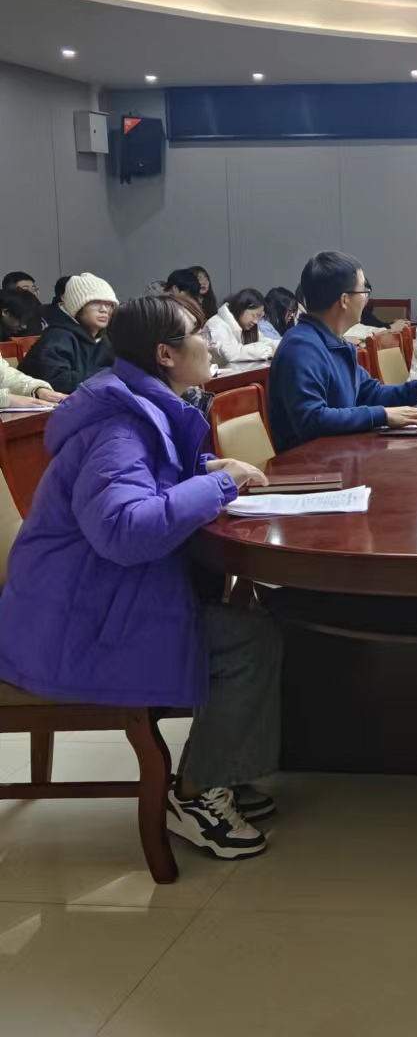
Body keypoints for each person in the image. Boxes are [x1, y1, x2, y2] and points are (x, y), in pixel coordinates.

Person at [0, 292, 279, 859]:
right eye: (198, 333)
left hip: (86, 600)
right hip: (78, 625)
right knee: (249, 641)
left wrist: (208, 467)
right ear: (165, 355)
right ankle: (196, 794)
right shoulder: (119, 426)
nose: (209, 342)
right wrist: (217, 484)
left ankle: (222, 767)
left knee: (247, 624)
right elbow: (125, 529)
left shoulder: (132, 405)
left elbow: (146, 481)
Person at [268, 251, 417, 453]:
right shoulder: (301, 348)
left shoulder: (336, 343)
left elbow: (371, 394)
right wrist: (381, 415)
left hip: (340, 456)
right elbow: (311, 419)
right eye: (364, 290)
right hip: (310, 466)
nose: (366, 298)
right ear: (345, 300)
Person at [20, 273, 117, 393]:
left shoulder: (105, 337)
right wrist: (111, 375)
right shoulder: (56, 337)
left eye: (109, 304)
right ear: (77, 306)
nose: (104, 310)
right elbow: (58, 382)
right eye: (95, 303)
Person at [206, 288, 277, 366]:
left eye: (259, 316)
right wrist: (269, 351)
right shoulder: (216, 325)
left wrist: (281, 346)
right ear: (241, 308)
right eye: (254, 315)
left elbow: (265, 341)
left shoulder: (247, 326)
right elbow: (233, 354)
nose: (256, 321)